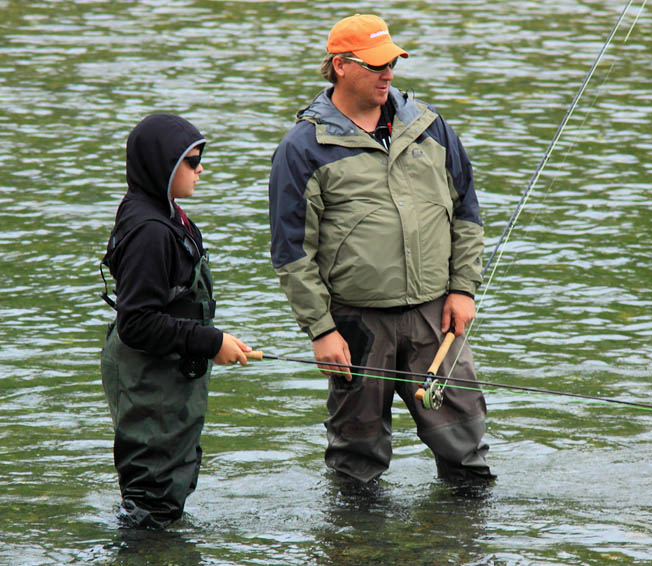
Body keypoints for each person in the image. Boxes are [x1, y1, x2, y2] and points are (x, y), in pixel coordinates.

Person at [269, 14, 493, 484]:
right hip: (355, 326)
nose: (388, 72)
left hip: (437, 315)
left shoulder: (430, 127)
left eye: (391, 61)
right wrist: (321, 330)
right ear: (340, 67)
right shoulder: (302, 148)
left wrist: (464, 290)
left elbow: (467, 211)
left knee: (467, 452)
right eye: (376, 65)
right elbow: (292, 253)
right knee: (356, 463)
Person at [100, 113, 251, 529]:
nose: (201, 168)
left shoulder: (162, 211)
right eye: (191, 160)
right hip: (150, 379)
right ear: (161, 165)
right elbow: (138, 323)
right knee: (153, 497)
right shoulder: (150, 230)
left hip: (166, 370)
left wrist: (212, 343)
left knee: (168, 484)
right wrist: (209, 341)